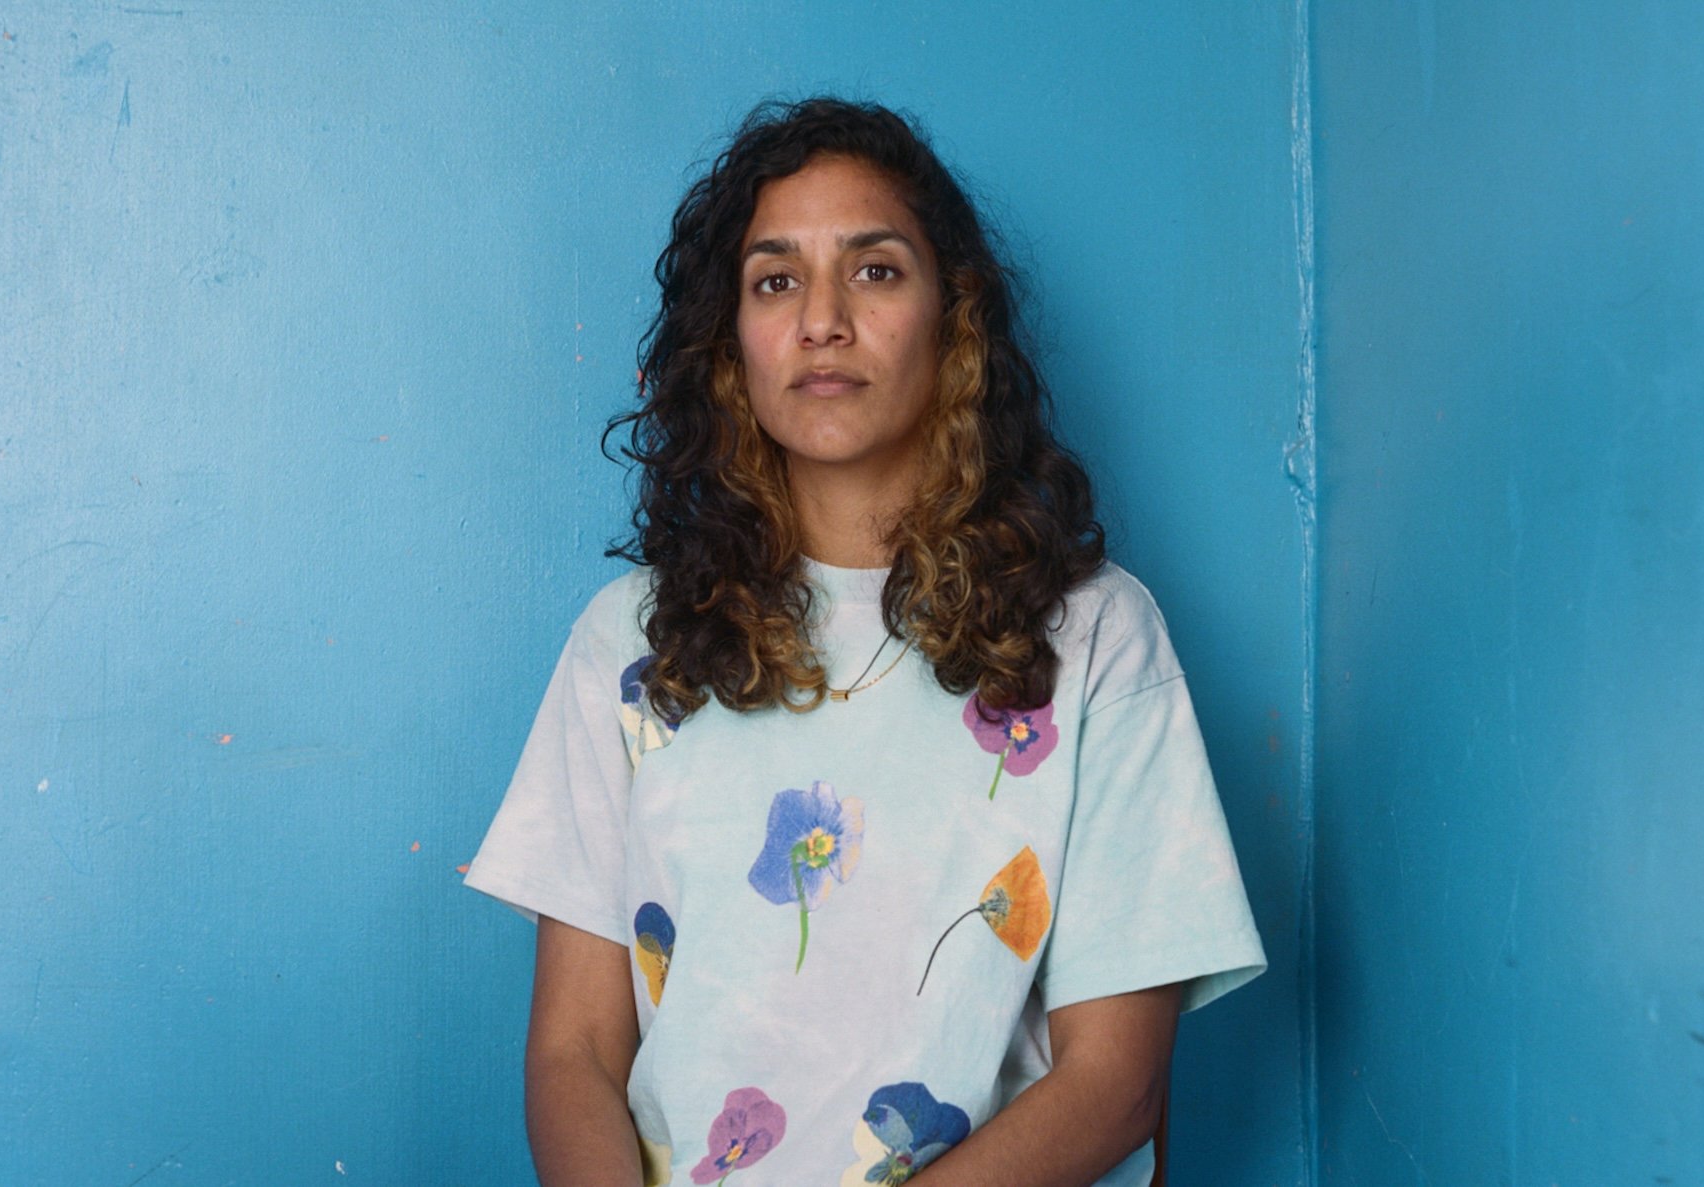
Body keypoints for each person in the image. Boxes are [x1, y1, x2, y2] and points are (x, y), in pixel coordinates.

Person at [465, 97, 1265, 1187]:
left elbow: (1118, 1082)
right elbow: (574, 1049)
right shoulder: (633, 639)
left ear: (955, 317)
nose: (823, 320)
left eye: (877, 270)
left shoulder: (1095, 636)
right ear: (729, 340)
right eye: (775, 278)